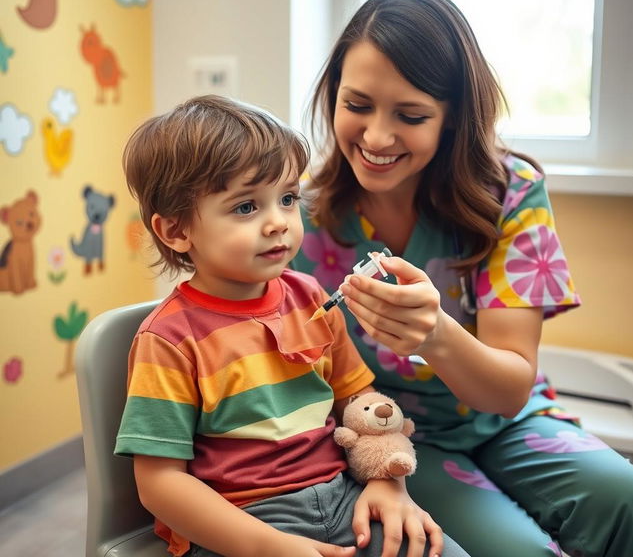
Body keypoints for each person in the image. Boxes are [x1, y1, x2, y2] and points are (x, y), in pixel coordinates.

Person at [290, 0, 633, 557]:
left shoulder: (511, 195)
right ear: (332, 97)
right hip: (394, 436)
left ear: (451, 118)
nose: (377, 137)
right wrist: (377, 463)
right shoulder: (301, 218)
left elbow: (508, 389)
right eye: (357, 105)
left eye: (411, 115)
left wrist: (436, 336)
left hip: (509, 420)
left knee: (627, 497)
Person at [114, 95, 470, 557]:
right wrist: (269, 546)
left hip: (346, 500)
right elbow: (160, 485)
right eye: (246, 207)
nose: (278, 223)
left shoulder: (311, 298)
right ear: (177, 231)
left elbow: (358, 402)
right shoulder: (168, 340)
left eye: (286, 198)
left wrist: (387, 484)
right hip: (239, 524)